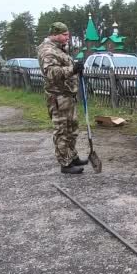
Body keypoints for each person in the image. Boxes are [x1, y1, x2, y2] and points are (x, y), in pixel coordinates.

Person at [37, 22, 87, 174]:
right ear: (55, 34)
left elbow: (64, 67)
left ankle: (72, 156)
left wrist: (76, 68)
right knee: (62, 130)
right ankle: (65, 163)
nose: (68, 37)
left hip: (67, 95)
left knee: (72, 128)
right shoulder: (47, 50)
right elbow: (51, 73)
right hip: (58, 97)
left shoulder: (59, 49)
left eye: (68, 34)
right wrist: (72, 69)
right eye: (65, 35)